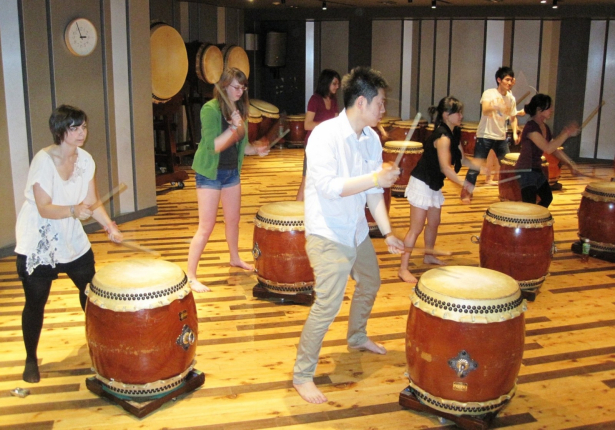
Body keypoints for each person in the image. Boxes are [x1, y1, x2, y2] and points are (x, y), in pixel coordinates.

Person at [293, 66, 405, 404]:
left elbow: (372, 193)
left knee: (370, 281)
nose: (383, 110)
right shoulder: (324, 137)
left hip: (355, 228)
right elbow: (329, 188)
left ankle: (356, 336)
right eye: (380, 103)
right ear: (361, 102)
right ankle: (302, 374)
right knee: (327, 304)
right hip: (327, 232)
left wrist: (386, 233)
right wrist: (376, 179)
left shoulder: (371, 138)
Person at [15, 105, 123, 383]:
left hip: (72, 237)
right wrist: (75, 211)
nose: (81, 133)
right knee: (35, 302)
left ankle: (100, 343)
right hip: (39, 239)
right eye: (74, 128)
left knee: (91, 292)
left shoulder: (85, 160)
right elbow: (44, 208)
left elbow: (93, 201)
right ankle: (30, 359)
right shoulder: (43, 161)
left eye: (83, 127)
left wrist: (109, 226)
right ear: (60, 131)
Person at [187, 68, 269, 293]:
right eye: (235, 87)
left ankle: (235, 258)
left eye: (243, 88)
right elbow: (213, 146)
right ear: (223, 87)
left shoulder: (239, 109)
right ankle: (191, 275)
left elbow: (239, 146)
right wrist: (233, 126)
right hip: (210, 173)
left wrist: (255, 150)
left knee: (233, 220)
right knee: (206, 226)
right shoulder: (210, 109)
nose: (240, 92)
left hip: (231, 172)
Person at [398, 97, 474, 283]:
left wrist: (481, 166)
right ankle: (403, 269)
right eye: (458, 112)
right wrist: (464, 183)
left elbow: (463, 159)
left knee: (434, 222)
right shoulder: (442, 137)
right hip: (422, 182)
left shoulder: (453, 133)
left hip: (433, 183)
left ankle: (428, 255)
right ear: (446, 115)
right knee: (415, 228)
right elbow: (446, 168)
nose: (461, 115)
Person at [461, 66, 519, 203]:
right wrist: (497, 106)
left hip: (501, 138)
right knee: (475, 167)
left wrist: (515, 133)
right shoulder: (489, 93)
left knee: (507, 167)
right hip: (485, 135)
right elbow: (486, 110)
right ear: (499, 80)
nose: (509, 83)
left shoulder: (511, 98)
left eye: (511, 80)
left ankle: (509, 194)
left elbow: (513, 117)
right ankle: (466, 193)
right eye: (507, 79)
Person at [514, 94, 579, 208]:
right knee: (529, 204)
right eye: (549, 107)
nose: (552, 110)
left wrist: (570, 163)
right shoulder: (531, 128)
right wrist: (566, 133)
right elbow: (548, 148)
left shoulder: (545, 127)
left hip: (536, 169)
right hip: (525, 170)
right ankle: (529, 222)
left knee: (547, 197)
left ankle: (536, 220)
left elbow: (554, 149)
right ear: (539, 110)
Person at [296, 69, 341, 201]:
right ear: (326, 83)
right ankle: (295, 212)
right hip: (313, 144)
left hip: (327, 144)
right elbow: (307, 124)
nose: (337, 87)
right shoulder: (315, 99)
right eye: (334, 83)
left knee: (328, 177)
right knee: (307, 178)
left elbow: (337, 122)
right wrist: (326, 124)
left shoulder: (334, 101)